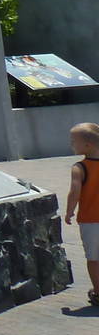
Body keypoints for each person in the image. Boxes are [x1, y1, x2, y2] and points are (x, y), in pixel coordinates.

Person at [65, 122, 99, 307]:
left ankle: (98, 292)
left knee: (94, 258)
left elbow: (74, 191)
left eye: (73, 141)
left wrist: (70, 210)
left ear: (88, 146)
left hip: (91, 220)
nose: (71, 145)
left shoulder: (79, 167)